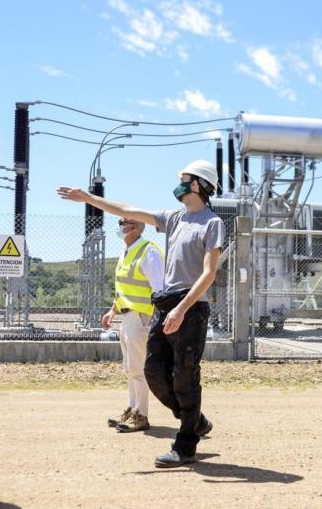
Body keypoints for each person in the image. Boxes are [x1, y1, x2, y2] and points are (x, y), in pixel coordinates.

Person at [58, 159, 223, 468]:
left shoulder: (211, 223)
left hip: (191, 307)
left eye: (184, 179)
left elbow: (209, 273)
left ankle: (185, 445)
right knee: (153, 372)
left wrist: (182, 308)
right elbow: (127, 209)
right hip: (166, 306)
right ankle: (194, 419)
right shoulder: (173, 218)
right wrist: (90, 199)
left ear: (197, 184)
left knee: (185, 377)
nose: (180, 183)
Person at [103, 217, 165, 433]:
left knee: (138, 368)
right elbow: (124, 287)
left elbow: (160, 289)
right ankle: (132, 408)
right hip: (128, 316)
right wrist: (113, 309)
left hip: (142, 317)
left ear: (137, 227)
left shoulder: (149, 252)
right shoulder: (126, 250)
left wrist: (157, 322)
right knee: (130, 368)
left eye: (124, 222)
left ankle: (141, 415)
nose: (120, 226)